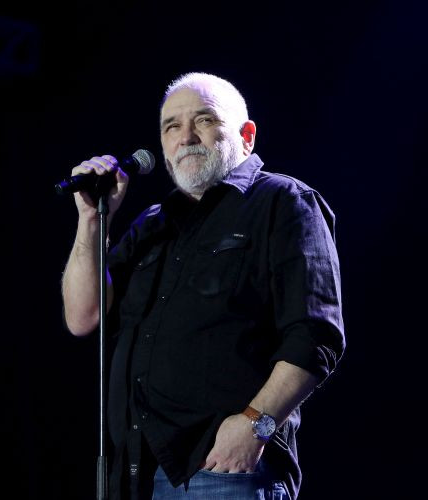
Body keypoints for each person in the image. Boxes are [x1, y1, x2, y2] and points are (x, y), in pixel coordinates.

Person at [61, 73, 345, 499]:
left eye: (205, 120)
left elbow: (316, 335)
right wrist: (92, 221)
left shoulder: (283, 201)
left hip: (221, 470)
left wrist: (255, 424)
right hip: (135, 472)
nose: (186, 136)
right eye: (171, 126)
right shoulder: (151, 225)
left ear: (246, 136)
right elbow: (84, 317)